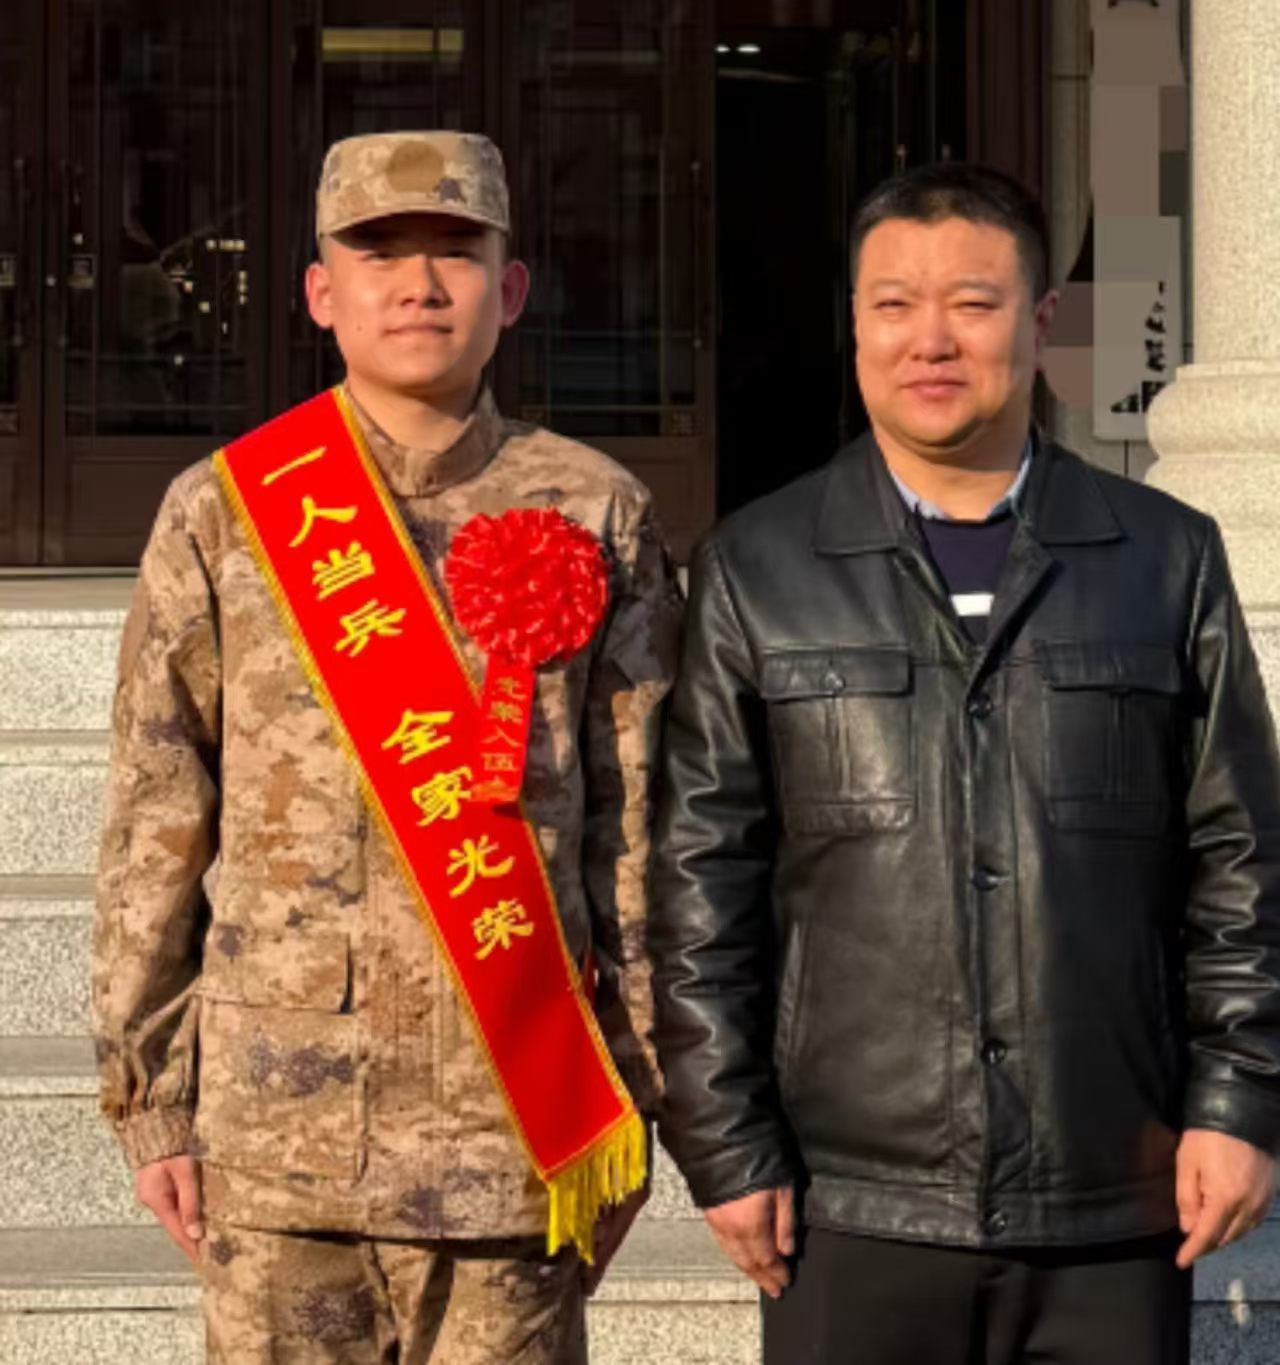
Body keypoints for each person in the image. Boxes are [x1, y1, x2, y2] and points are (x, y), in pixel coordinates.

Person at [648, 162, 1280, 1365]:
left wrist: (1237, 1100)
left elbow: (1240, 861)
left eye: (972, 304)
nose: (929, 340)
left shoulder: (1162, 558)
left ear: (1040, 321)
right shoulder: (757, 567)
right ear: (852, 323)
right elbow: (698, 886)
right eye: (892, 305)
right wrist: (724, 1147)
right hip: (847, 1205)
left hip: (1110, 1191)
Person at [93, 130, 681, 1364]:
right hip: (278, 1135)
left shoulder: (594, 509)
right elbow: (156, 813)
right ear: (320, 292)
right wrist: (151, 1099)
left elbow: (636, 827)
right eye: (378, 255)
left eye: (454, 254)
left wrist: (634, 1092)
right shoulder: (226, 510)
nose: (418, 285)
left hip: (510, 1134)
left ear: (509, 290)